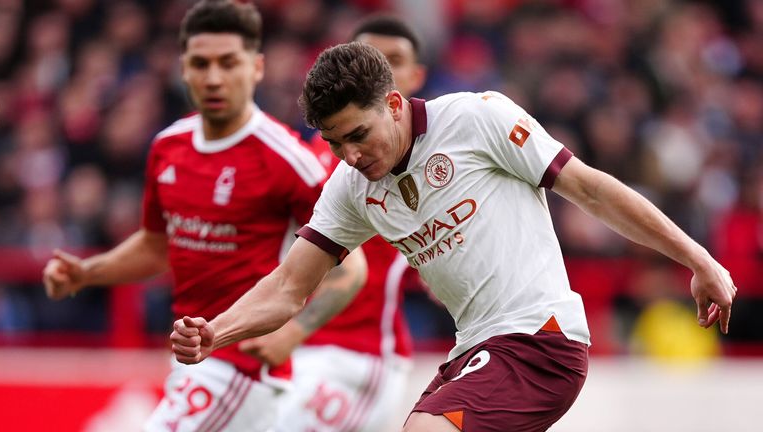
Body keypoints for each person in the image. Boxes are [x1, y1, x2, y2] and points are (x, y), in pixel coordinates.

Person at [170, 42, 737, 431]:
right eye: (337, 143)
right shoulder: (351, 187)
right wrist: (214, 333)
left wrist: (699, 259)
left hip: (540, 339)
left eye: (359, 135)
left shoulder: (475, 119)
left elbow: (590, 190)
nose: (351, 155)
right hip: (474, 351)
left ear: (393, 104)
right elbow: (290, 287)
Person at [41, 2, 366, 431]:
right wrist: (86, 272)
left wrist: (291, 333)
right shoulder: (167, 146)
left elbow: (350, 268)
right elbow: (157, 246)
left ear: (256, 67)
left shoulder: (286, 158)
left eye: (228, 63)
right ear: (184, 69)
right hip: (190, 364)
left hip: (240, 369)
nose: (214, 77)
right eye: (201, 63)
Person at [238, 15, 428, 431]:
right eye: (372, 57)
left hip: (355, 355)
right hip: (291, 348)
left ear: (413, 79)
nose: (384, 69)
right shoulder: (314, 158)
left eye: (395, 60)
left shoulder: (431, 161)